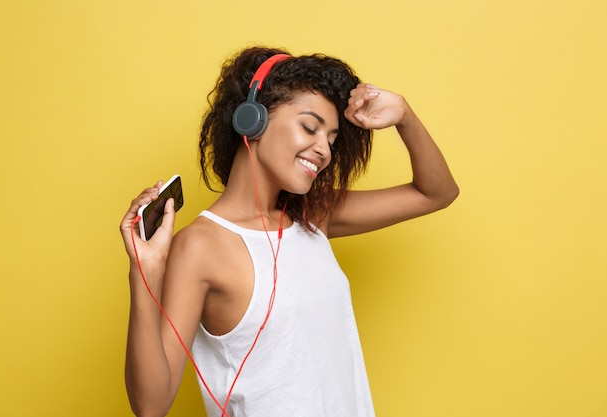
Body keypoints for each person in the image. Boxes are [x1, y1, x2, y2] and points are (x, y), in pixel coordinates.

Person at [119, 46, 459, 417]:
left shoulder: (312, 216)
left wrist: (404, 116)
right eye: (309, 127)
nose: (324, 150)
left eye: (330, 139)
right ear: (253, 120)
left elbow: (436, 192)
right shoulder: (201, 246)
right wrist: (144, 273)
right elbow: (151, 406)